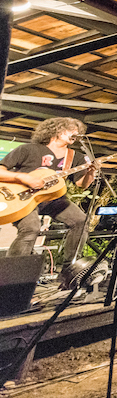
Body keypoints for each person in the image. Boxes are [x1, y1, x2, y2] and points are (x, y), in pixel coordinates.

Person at [0, 118, 97, 281]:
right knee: (30, 228)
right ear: (56, 131)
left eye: (78, 131)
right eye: (71, 130)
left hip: (54, 199)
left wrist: (91, 173)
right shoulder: (28, 149)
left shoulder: (75, 157)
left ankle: (70, 270)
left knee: (81, 221)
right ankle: (11, 278)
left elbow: (82, 185)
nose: (76, 134)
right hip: (23, 198)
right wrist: (22, 177)